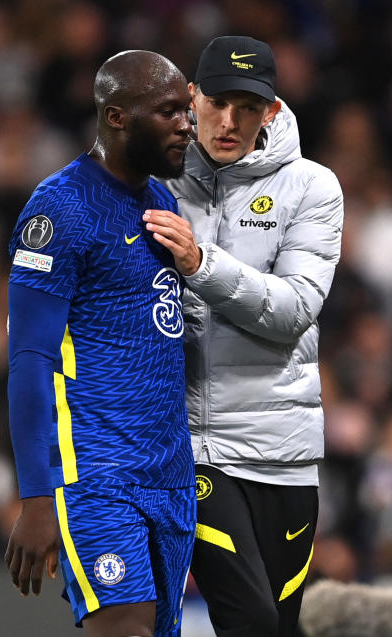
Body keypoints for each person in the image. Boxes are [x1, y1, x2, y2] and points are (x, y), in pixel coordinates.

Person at [142, 35, 344, 636]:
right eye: (216, 104)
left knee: (278, 628)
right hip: (193, 449)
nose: (228, 122)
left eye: (247, 108)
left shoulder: (313, 187)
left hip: (285, 455)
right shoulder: (156, 184)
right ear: (191, 99)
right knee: (251, 623)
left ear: (272, 111)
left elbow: (294, 310)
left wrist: (200, 263)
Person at [4, 50, 196, 637]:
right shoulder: (59, 209)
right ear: (116, 116)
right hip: (96, 472)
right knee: (123, 626)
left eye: (186, 111)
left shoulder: (164, 204)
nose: (186, 124)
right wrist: (39, 495)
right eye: (168, 112)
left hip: (170, 476)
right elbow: (30, 359)